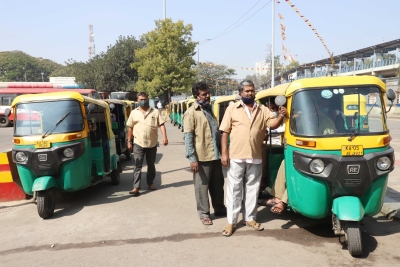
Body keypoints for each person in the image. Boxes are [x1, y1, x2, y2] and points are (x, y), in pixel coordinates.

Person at [219, 80, 287, 236]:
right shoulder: (232, 109)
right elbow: (225, 132)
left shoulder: (262, 109)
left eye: (252, 90)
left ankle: (249, 218)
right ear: (240, 93)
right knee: (234, 189)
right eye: (247, 91)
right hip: (236, 155)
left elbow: (273, 125)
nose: (250, 93)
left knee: (253, 188)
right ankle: (231, 221)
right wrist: (224, 153)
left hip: (255, 155)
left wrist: (281, 116)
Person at [261, 102, 337, 214]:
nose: (309, 112)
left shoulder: (326, 122)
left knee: (297, 169)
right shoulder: (303, 120)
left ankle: (283, 201)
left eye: (312, 109)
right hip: (305, 153)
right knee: (285, 163)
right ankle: (277, 197)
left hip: (320, 158)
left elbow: (329, 142)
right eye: (307, 109)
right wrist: (288, 117)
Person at [183, 82, 226, 225]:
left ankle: (219, 208)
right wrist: (192, 158)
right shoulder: (191, 113)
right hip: (201, 157)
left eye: (208, 93)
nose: (208, 96)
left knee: (218, 185)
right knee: (202, 187)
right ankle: (204, 213)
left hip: (216, 155)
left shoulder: (209, 110)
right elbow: (188, 137)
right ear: (196, 96)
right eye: (204, 94)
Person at [126, 92, 168, 196]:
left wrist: (165, 137)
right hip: (138, 143)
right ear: (137, 101)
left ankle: (150, 183)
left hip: (152, 143)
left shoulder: (155, 112)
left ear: (148, 99)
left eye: (144, 99)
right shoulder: (134, 113)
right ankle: (136, 187)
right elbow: (130, 128)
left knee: (151, 165)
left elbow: (161, 125)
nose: (143, 101)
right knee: (137, 165)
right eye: (140, 99)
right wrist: (129, 141)